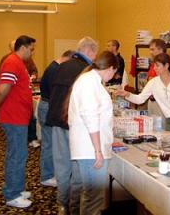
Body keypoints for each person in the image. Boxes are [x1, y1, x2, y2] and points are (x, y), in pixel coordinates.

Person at [46, 37, 98, 215]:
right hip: (74, 124)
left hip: (56, 120)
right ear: (90, 51)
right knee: (77, 166)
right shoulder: (86, 70)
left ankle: (62, 204)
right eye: (95, 53)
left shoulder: (62, 65)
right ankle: (74, 206)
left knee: (61, 165)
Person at [67, 51, 118, 215]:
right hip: (90, 149)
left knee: (90, 196)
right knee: (94, 198)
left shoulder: (91, 80)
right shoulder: (89, 82)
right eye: (114, 72)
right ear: (110, 68)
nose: (113, 76)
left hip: (89, 147)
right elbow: (90, 117)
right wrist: (97, 150)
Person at [0, 35, 36, 208]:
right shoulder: (11, 62)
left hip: (19, 117)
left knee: (19, 154)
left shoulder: (18, 62)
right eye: (31, 49)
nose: (32, 53)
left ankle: (17, 188)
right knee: (17, 155)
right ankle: (12, 195)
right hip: (14, 117)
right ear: (23, 47)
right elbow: (3, 89)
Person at [116, 53, 170, 132]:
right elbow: (140, 99)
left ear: (166, 66)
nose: (155, 68)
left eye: (157, 66)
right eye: (154, 66)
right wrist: (127, 94)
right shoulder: (153, 83)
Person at [38, 50, 75, 188]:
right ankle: (46, 176)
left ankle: (48, 173)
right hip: (48, 106)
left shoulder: (53, 67)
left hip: (46, 105)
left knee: (50, 142)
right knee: (49, 143)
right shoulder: (55, 70)